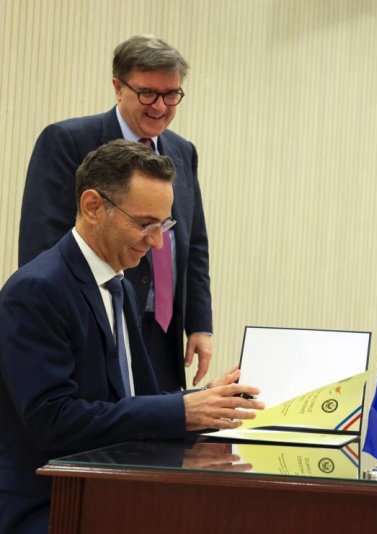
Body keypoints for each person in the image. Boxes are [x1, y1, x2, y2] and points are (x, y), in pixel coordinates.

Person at [0, 140, 263, 534]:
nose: (157, 242)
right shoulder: (37, 290)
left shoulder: (118, 283)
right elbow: (52, 421)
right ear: (93, 206)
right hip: (49, 502)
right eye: (145, 224)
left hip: (107, 490)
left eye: (164, 225)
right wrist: (181, 411)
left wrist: (202, 401)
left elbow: (126, 400)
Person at [18, 34, 211, 392]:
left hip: (163, 332)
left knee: (162, 429)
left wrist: (200, 324)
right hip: (98, 325)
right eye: (148, 93)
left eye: (171, 94)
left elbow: (193, 242)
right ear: (117, 87)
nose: (160, 106)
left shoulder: (183, 151)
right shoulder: (67, 140)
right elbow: (41, 242)